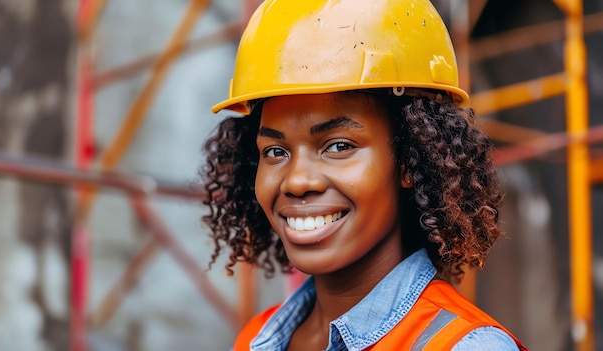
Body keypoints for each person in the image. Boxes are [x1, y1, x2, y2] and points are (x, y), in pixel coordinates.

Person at [201, 0, 528, 350]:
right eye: (276, 152)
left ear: (408, 160)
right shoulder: (255, 339)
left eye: (339, 146)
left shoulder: (464, 345)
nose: (297, 181)